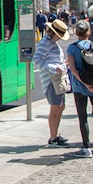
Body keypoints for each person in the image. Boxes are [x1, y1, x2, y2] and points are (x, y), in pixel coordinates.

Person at [66, 20, 93, 158]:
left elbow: (73, 69)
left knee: (83, 117)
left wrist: (85, 83)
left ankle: (86, 147)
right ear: (89, 32)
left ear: (76, 33)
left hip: (80, 87)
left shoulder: (72, 48)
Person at [33, 18, 70, 147]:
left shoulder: (51, 42)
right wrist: (54, 67)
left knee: (60, 106)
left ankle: (55, 135)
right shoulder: (46, 43)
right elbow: (37, 59)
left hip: (57, 78)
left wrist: (62, 64)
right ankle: (53, 137)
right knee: (56, 107)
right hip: (51, 80)